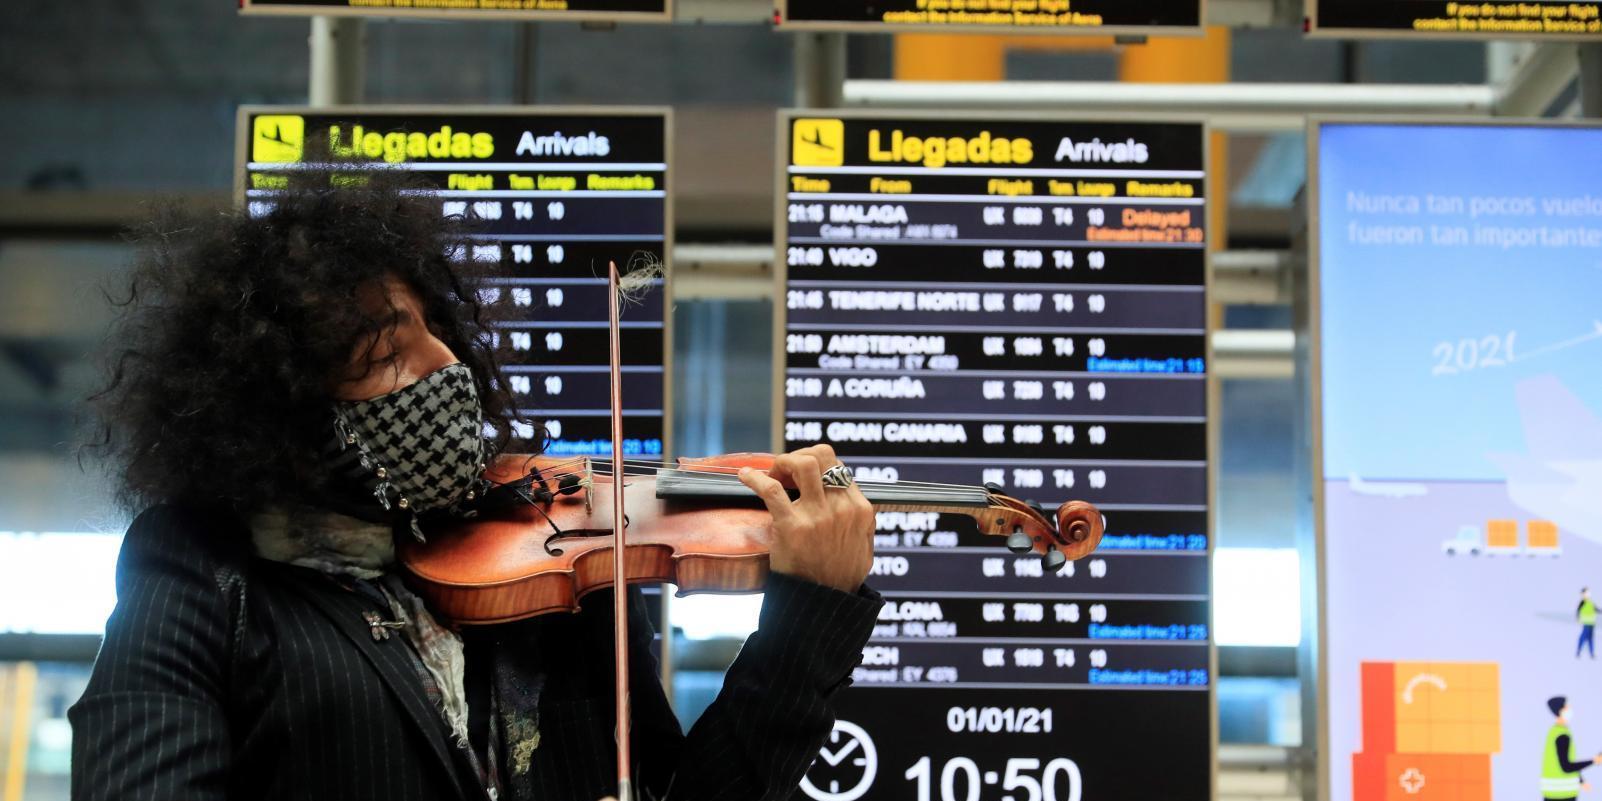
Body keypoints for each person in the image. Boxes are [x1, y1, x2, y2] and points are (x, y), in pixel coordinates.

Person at [69, 177, 883, 801]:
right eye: (388, 354)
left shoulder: (568, 564)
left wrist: (802, 622)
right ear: (282, 409)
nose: (447, 367)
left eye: (438, 331)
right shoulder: (205, 569)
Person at [1543, 696, 1602, 800]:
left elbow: (1565, 762)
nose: (1569, 708)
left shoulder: (1556, 731)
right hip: (1561, 794)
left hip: (1555, 792)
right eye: (1566, 706)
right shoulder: (1562, 735)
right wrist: (1594, 761)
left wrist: (1581, 781)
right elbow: (1566, 766)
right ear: (1560, 710)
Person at [1579, 588, 1596, 659]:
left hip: (1590, 624)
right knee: (1585, 639)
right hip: (1587, 624)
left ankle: (1591, 654)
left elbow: (1595, 609)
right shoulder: (1583, 603)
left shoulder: (1589, 603)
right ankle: (1579, 652)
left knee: (1588, 639)